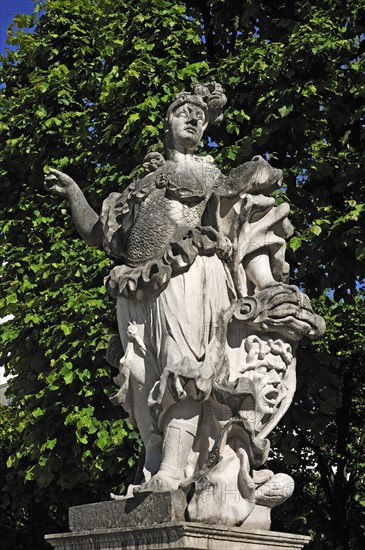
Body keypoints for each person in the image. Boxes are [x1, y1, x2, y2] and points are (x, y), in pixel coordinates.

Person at [45, 83, 324, 521]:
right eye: (183, 112)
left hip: (191, 274)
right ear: (168, 122)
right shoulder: (144, 183)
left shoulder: (213, 178)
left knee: (185, 366)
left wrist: (266, 284)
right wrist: (75, 195)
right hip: (136, 288)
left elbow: (244, 223)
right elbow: (105, 237)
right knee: (138, 375)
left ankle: (175, 473)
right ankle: (156, 465)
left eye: (200, 115)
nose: (193, 119)